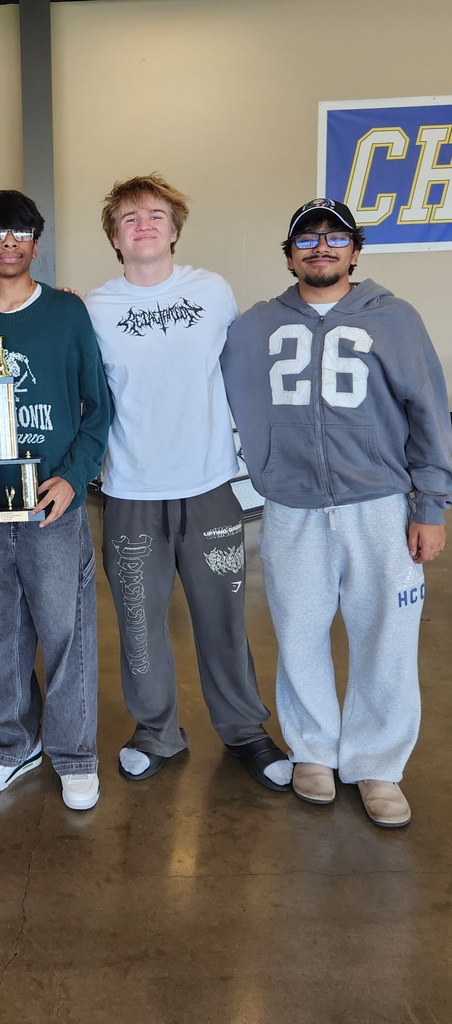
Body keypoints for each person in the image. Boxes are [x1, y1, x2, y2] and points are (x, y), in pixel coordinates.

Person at [222, 197, 452, 827]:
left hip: (378, 505)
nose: (320, 248)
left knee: (387, 639)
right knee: (298, 634)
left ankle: (378, 765)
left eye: (334, 237)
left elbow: (430, 413)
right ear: (289, 252)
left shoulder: (395, 318)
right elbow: (196, 373)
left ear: (355, 249)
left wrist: (430, 504)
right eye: (307, 238)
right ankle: (315, 750)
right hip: (292, 507)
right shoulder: (254, 325)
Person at [84, 174, 291, 790]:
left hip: (208, 487)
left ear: (174, 231)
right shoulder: (94, 309)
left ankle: (246, 731)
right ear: (116, 240)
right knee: (140, 624)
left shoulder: (213, 292)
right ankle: (156, 732)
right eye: (128, 218)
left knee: (222, 619)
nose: (142, 225)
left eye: (155, 216)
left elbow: (242, 378)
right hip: (130, 491)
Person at [0, 190, 110, 810]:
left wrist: (74, 478)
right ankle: (11, 747)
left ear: (35, 244)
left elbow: (98, 409)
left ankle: (73, 755)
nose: (9, 242)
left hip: (54, 507)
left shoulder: (67, 317)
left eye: (21, 232)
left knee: (66, 631)